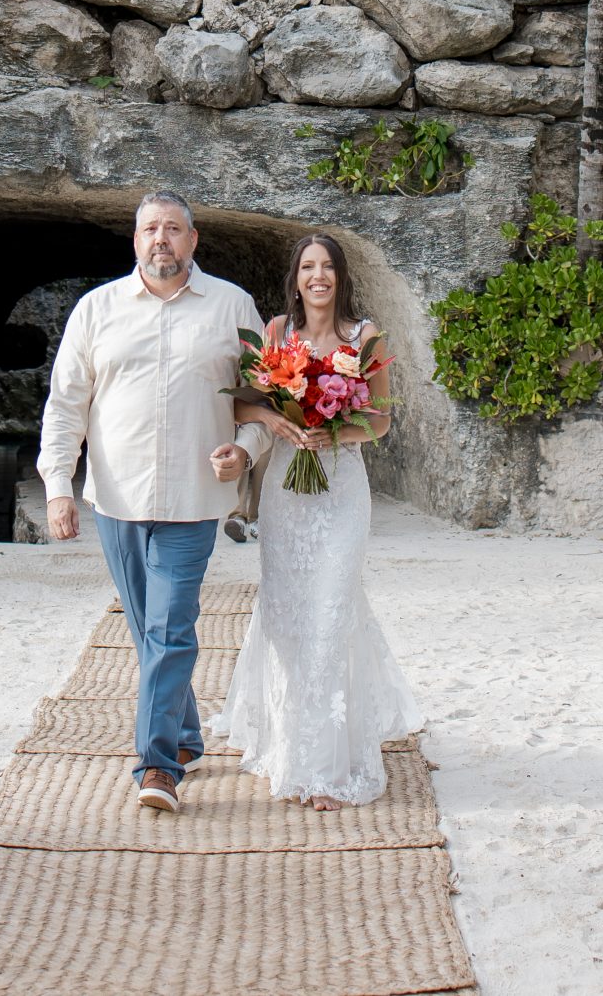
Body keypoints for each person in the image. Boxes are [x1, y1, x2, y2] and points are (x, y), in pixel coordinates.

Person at [40, 192, 265, 815]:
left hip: (194, 500)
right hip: (116, 498)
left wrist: (243, 449)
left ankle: (157, 763)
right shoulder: (96, 310)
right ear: (134, 242)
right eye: (149, 229)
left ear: (194, 240)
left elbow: (264, 404)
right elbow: (66, 405)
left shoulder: (232, 307)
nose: (160, 238)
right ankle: (188, 734)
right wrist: (59, 487)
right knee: (148, 633)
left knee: (170, 628)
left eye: (172, 229)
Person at [215, 233, 421, 810]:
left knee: (330, 614)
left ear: (341, 276)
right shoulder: (277, 334)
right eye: (308, 267)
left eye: (328, 266)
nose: (318, 276)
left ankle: (326, 771)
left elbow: (380, 421)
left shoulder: (365, 336)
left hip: (340, 489)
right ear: (297, 277)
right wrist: (281, 424)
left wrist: (333, 429)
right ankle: (287, 747)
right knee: (286, 618)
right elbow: (244, 404)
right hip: (286, 490)